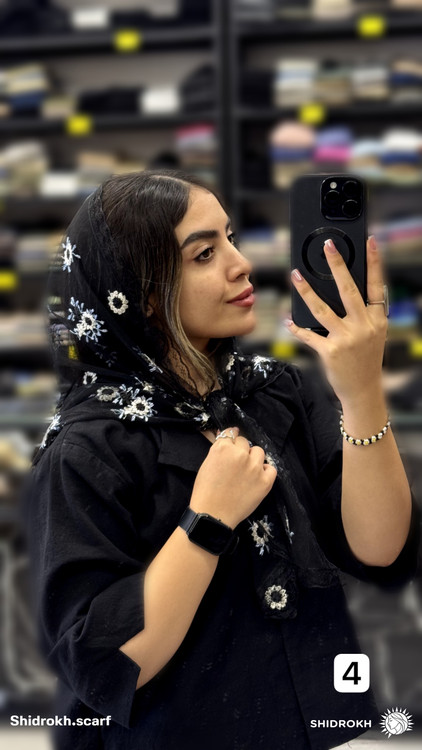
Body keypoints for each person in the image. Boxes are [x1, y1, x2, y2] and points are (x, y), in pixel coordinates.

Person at [23, 169, 419, 750]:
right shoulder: (89, 449)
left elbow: (378, 547)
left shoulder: (272, 393)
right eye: (204, 254)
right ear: (143, 295)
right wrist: (208, 520)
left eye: (230, 239)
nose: (241, 264)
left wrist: (362, 392)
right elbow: (107, 664)